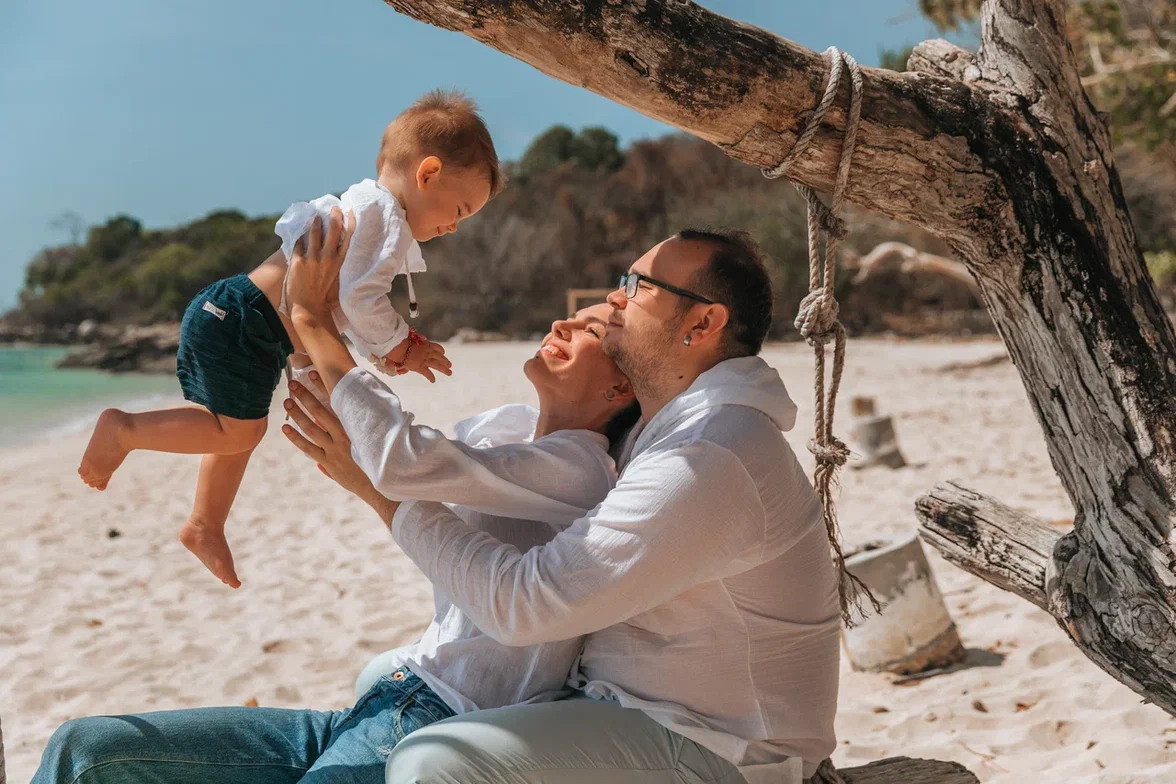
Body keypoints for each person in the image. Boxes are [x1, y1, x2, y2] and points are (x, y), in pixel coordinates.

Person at [286, 214, 844, 783]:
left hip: (728, 747)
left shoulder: (710, 453)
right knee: (388, 677)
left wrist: (384, 498)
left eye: (638, 286)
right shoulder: (662, 433)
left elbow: (526, 604)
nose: (613, 298)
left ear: (702, 323)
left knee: (431, 763)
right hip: (624, 708)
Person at [32, 292, 639, 782]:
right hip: (388, 699)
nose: (563, 321)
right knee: (85, 751)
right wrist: (298, 338)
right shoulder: (504, 426)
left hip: (446, 721)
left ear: (621, 389)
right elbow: (371, 439)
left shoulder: (581, 470)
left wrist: (315, 319)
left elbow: (397, 462)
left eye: (590, 331)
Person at [76, 89, 499, 588]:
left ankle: (204, 524)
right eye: (460, 208)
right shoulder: (384, 218)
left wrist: (375, 356)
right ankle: (123, 430)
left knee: (235, 431)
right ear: (427, 174)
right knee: (238, 431)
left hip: (241, 316)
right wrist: (401, 345)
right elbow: (361, 299)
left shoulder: (369, 209)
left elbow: (337, 304)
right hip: (245, 319)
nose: (454, 225)